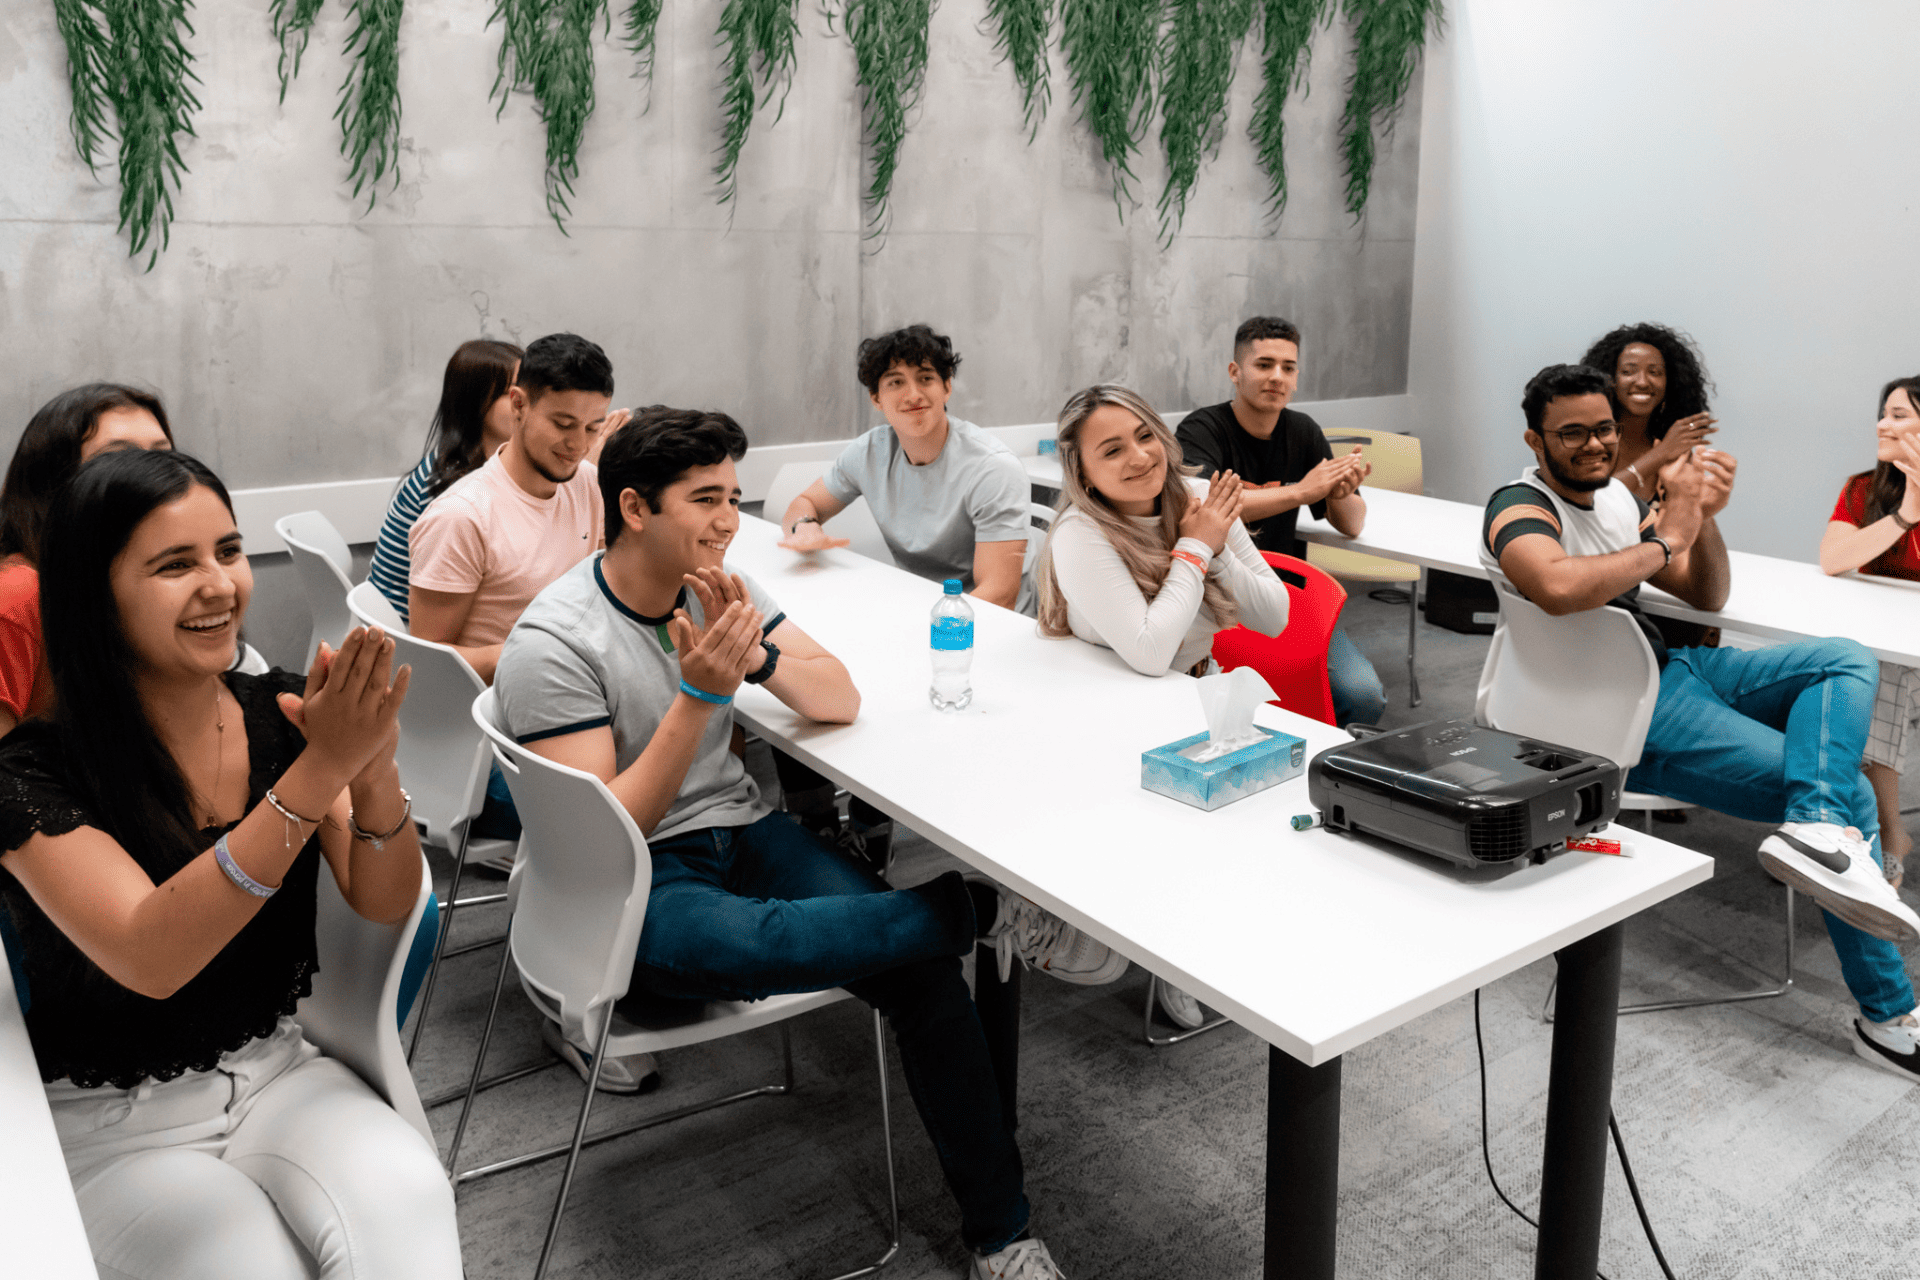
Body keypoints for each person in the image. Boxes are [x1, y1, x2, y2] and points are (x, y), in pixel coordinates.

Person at [497, 406, 1114, 1278]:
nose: (729, 521)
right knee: (756, 943)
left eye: (733, 496)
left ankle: (1003, 1236)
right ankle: (980, 908)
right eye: (706, 499)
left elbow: (839, 698)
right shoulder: (554, 641)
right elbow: (613, 833)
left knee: (922, 973)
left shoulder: (724, 586)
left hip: (741, 833)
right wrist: (701, 696)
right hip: (629, 883)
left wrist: (753, 660)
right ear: (634, 508)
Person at [0, 448, 461, 1279]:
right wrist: (321, 769)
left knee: (410, 1201)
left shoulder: (282, 711)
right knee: (242, 1259)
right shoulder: (30, 773)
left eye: (228, 551)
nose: (220, 584)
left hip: (280, 1072)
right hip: (114, 1122)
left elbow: (385, 900)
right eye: (175, 564)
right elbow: (152, 954)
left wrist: (373, 765)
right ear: (93, 595)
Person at [1481, 363, 1920, 1081]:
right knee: (1856, 796)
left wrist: (1700, 520)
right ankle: (1888, 1017)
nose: (1594, 446)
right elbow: (1556, 586)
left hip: (1670, 671)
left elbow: (1706, 595)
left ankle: (1812, 823)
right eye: (1572, 434)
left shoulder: (1612, 505)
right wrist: (1665, 535)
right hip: (1610, 712)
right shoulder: (1517, 504)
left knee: (1844, 660)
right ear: (1535, 440)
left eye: (1604, 430)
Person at [1037, 384, 1290, 1030]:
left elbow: (1275, 615)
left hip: (1192, 693)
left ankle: (1185, 951)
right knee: (1156, 846)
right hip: (1109, 703)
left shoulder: (1197, 501)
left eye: (1145, 435)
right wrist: (1197, 548)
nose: (1139, 457)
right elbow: (1149, 649)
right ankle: (1135, 943)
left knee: (1230, 831)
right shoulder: (1080, 531)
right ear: (1082, 472)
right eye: (1111, 449)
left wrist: (1213, 546)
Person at [775, 325, 1030, 866]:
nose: (913, 393)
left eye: (926, 378)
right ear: (876, 398)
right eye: (896, 382)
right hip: (912, 613)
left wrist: (905, 643)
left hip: (986, 635)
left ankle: (870, 829)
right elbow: (805, 503)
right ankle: (814, 824)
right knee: (799, 671)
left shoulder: (990, 466)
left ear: (947, 387)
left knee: (867, 691)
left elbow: (999, 594)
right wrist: (803, 530)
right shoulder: (872, 449)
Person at [1174, 316, 1385, 728]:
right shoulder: (1202, 429)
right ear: (1235, 372)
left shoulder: (1302, 430)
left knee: (1362, 697)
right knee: (1232, 697)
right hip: (1216, 593)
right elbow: (1202, 510)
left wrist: (1339, 494)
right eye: (1264, 364)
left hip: (1285, 594)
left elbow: (1353, 523)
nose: (1277, 377)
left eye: (1288, 368)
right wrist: (1302, 492)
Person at [0, 383, 176, 738]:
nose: (150, 476)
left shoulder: (123, 580)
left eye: (162, 456)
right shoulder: (17, 597)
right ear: (55, 482)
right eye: (118, 457)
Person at [1820, 375, 1920, 886]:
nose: (1883, 423)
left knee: (1882, 674)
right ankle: (1852, 824)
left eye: (1900, 415)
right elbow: (1834, 559)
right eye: (1883, 412)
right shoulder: (1865, 488)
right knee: (1870, 669)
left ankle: (1882, 829)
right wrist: (1906, 513)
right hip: (1889, 659)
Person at [367, 338, 523, 624]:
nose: (522, 404)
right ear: (476, 402)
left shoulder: (469, 464)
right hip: (406, 631)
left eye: (527, 391)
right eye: (508, 394)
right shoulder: (450, 487)